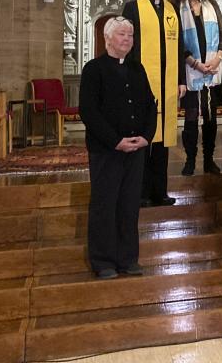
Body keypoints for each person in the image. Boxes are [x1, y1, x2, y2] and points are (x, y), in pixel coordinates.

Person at [79, 17, 155, 279]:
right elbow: (89, 112)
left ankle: (128, 258)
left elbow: (149, 105)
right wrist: (115, 141)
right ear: (108, 38)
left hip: (135, 149)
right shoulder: (93, 69)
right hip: (107, 150)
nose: (127, 39)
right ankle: (103, 261)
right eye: (122, 34)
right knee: (105, 204)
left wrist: (146, 136)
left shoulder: (137, 69)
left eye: (131, 35)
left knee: (129, 205)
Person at [122, 0, 187, 207]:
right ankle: (140, 193)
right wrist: (129, 78)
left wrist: (181, 79)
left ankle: (160, 191)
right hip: (142, 84)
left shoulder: (171, 9)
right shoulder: (133, 8)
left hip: (167, 84)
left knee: (162, 142)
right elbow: (128, 45)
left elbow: (178, 46)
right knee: (143, 139)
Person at [169, 0, 222, 177]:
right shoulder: (175, 5)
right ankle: (190, 160)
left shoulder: (210, 3)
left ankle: (209, 160)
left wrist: (218, 57)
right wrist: (195, 63)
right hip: (190, 70)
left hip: (213, 69)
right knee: (192, 118)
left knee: (211, 118)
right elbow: (175, 40)